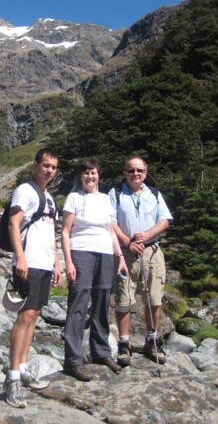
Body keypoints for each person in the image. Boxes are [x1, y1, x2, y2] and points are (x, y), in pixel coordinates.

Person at [3, 148, 63, 408]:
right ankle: (12, 378)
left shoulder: (50, 198)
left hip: (44, 264)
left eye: (53, 167)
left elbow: (50, 233)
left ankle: (23, 369)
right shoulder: (25, 190)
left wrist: (56, 264)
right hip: (27, 264)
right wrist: (20, 258)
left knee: (34, 315)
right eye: (46, 165)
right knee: (24, 316)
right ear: (36, 165)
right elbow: (13, 224)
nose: (49, 171)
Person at [60, 159, 129, 381]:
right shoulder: (73, 198)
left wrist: (120, 257)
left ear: (98, 175)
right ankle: (72, 361)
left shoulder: (105, 199)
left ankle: (101, 352)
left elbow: (111, 231)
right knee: (78, 305)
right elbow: (65, 232)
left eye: (93, 173)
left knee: (102, 302)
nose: (90, 177)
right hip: (81, 252)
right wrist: (68, 262)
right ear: (80, 176)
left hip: (105, 254)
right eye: (86, 173)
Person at [109, 155, 174, 366]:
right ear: (124, 173)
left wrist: (147, 234)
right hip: (126, 252)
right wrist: (128, 242)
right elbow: (110, 222)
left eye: (139, 170)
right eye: (131, 170)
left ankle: (152, 341)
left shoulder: (154, 194)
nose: (135, 174)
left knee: (154, 297)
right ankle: (124, 343)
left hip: (152, 250)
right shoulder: (115, 193)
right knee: (123, 297)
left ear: (145, 173)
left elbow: (165, 220)